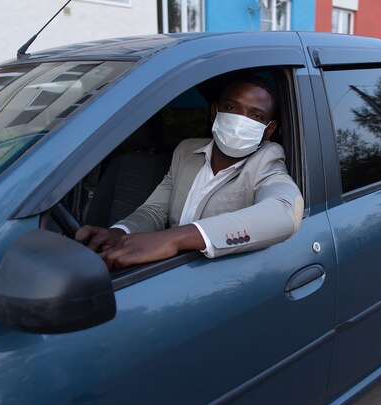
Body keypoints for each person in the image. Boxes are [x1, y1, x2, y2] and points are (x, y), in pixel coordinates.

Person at [75, 73, 304, 269]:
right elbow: (155, 211)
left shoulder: (267, 159)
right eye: (232, 108)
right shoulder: (186, 151)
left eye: (255, 116)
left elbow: (284, 213)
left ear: (268, 129)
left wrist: (174, 238)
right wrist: (119, 234)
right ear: (215, 112)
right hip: (167, 269)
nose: (240, 121)